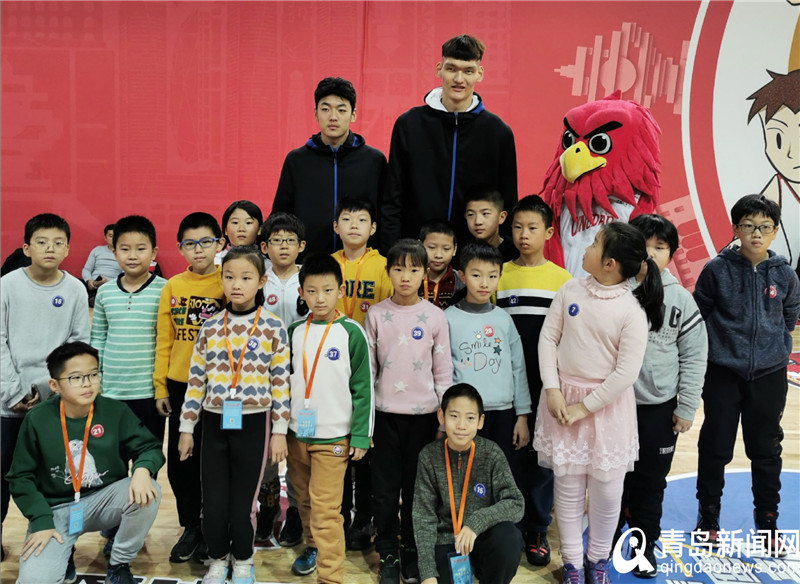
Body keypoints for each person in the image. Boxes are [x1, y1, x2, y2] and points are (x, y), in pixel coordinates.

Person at [533, 222, 664, 584]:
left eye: (594, 244)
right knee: (568, 490)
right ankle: (573, 565)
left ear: (609, 264)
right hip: (562, 404)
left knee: (607, 494)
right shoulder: (570, 290)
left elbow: (625, 374)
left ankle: (598, 562)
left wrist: (584, 408)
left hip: (606, 410)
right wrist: (553, 389)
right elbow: (548, 339)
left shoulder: (631, 311)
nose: (586, 249)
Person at [692, 195, 799, 555]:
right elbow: (700, 314)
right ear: (736, 229)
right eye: (749, 226)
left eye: (765, 227)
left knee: (766, 450)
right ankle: (708, 517)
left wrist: (772, 348)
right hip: (723, 372)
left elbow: (789, 316)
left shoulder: (784, 274)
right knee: (715, 446)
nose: (756, 233)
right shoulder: (716, 270)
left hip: (769, 374)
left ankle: (767, 520)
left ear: (775, 231)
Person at [177, 246, 291, 584]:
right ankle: (216, 559)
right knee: (213, 504)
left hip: (255, 421)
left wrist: (280, 431)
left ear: (261, 281)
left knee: (243, 505)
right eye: (229, 277)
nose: (236, 285)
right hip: (214, 422)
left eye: (245, 277)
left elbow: (281, 381)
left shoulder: (273, 327)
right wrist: (186, 427)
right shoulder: (211, 327)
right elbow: (196, 381)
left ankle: (242, 560)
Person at [8, 341, 164, 584]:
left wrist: (142, 469)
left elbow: (149, 447)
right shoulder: (37, 419)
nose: (87, 383)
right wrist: (40, 520)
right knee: (34, 581)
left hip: (104, 500)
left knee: (150, 489)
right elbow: (20, 477)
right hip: (56, 510)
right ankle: (65, 552)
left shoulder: (114, 410)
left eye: (92, 374)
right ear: (54, 385)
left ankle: (119, 563)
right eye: (76, 377)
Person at [611, 214, 707, 577]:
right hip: (610, 406)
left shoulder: (680, 299)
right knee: (610, 480)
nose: (650, 254)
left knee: (650, 483)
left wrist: (687, 406)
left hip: (656, 409)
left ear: (672, 253)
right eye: (643, 245)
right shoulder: (611, 291)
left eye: (660, 247)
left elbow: (695, 356)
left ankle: (643, 546)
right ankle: (605, 541)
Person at [364, 239, 453, 584]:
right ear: (388, 272)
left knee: (418, 491)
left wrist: (443, 419)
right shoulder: (375, 314)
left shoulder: (435, 316)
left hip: (424, 419)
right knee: (385, 491)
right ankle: (387, 550)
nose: (405, 276)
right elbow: (369, 371)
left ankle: (413, 550)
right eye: (398, 269)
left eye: (413, 270)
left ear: (424, 273)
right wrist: (367, 422)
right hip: (385, 417)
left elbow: (443, 371)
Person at [1, 213, 89, 557]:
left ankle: (57, 546)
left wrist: (49, 390)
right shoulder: (7, 285)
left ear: (67, 249)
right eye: (41, 242)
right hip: (8, 404)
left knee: (55, 478)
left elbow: (77, 346)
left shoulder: (75, 289)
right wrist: (13, 392)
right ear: (26, 248)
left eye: (57, 242)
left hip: (54, 403)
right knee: (4, 474)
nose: (50, 248)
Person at [381, 34, 517, 253]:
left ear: (480, 74)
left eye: (468, 71)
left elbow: (508, 203)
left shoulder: (498, 132)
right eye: (451, 69)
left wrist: (503, 256)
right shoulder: (409, 124)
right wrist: (392, 253)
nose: (459, 79)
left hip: (474, 259)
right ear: (439, 70)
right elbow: (393, 197)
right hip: (415, 256)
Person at [285, 252, 373, 582]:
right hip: (297, 435)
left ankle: (331, 576)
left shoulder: (351, 332)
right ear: (301, 293)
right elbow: (282, 384)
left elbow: (363, 389)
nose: (319, 298)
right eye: (311, 291)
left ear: (340, 290)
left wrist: (361, 435)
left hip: (334, 439)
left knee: (326, 510)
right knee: (305, 503)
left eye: (327, 290)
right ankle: (313, 547)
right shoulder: (294, 331)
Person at [494, 195, 571, 567]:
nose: (524, 235)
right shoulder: (499, 275)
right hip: (505, 383)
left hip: (546, 384)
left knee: (542, 458)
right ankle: (506, 524)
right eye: (518, 227)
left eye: (532, 228)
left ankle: (537, 527)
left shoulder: (563, 281)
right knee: (507, 455)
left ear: (549, 233)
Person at [153, 212, 226, 564]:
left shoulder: (228, 281)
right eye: (190, 243)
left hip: (220, 388)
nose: (199, 249)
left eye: (206, 242)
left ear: (220, 244)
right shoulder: (173, 286)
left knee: (216, 460)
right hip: (181, 386)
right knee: (182, 463)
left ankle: (214, 525)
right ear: (180, 248)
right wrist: (161, 388)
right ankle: (190, 527)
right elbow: (164, 340)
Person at [413, 383, 524, 584]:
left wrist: (476, 523)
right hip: (446, 541)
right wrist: (427, 572)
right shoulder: (428, 456)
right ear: (441, 416)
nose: (461, 425)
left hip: (481, 536)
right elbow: (423, 517)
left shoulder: (491, 453)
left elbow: (516, 503)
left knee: (509, 539)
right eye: (454, 416)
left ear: (481, 421)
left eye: (470, 418)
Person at [331, 197, 390, 547]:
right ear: (335, 226)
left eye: (362, 219)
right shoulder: (327, 265)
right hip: (332, 369)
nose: (354, 225)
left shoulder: (383, 266)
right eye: (347, 219)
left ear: (373, 228)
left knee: (365, 448)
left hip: (371, 368)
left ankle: (364, 519)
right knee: (338, 446)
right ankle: (338, 515)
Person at [272, 77, 387, 256]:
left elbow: (385, 215)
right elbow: (281, 216)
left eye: (341, 110)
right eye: (325, 109)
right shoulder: (297, 160)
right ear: (315, 113)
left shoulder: (374, 161)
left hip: (362, 264)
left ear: (353, 114)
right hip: (308, 262)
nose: (333, 117)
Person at [444, 243, 531, 462]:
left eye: (492, 276)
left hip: (502, 413)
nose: (484, 283)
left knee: (498, 471)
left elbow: (518, 367)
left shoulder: (503, 319)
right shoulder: (447, 318)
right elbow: (441, 370)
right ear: (462, 276)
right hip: (462, 413)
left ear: (500, 276)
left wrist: (522, 416)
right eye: (476, 275)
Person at [91, 215, 166, 442]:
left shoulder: (165, 290)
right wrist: (97, 379)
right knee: (113, 456)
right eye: (125, 249)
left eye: (141, 249)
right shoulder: (104, 292)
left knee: (148, 454)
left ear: (153, 253)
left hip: (148, 392)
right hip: (111, 392)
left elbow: (166, 342)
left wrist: (162, 389)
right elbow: (98, 338)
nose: (132, 256)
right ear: (114, 253)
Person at [257, 211, 308, 547]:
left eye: (290, 241)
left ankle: (298, 514)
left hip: (304, 376)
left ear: (301, 246)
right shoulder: (258, 277)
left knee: (299, 448)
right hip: (263, 375)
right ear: (265, 246)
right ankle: (268, 507)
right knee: (267, 449)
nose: (284, 246)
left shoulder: (310, 277)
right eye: (277, 241)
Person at [419, 221, 463, 310]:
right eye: (431, 247)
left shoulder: (462, 282)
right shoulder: (412, 279)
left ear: (455, 249)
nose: (438, 255)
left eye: (446, 249)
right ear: (419, 246)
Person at [464, 187, 517, 262]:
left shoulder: (515, 253)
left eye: (485, 213)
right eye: (471, 214)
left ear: (501, 217)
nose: (478, 222)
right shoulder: (460, 251)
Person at [82, 224, 123, 307]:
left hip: (112, 284)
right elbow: (86, 269)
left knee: (113, 289)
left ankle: (93, 299)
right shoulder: (97, 250)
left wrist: (108, 282)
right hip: (93, 282)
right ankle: (94, 299)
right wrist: (89, 281)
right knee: (76, 284)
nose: (113, 238)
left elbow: (124, 275)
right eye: (111, 236)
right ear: (105, 237)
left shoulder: (124, 252)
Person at [215, 200, 264, 266]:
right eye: (235, 222)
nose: (241, 229)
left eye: (248, 223)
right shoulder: (215, 263)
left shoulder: (269, 264)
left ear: (259, 229)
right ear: (225, 229)